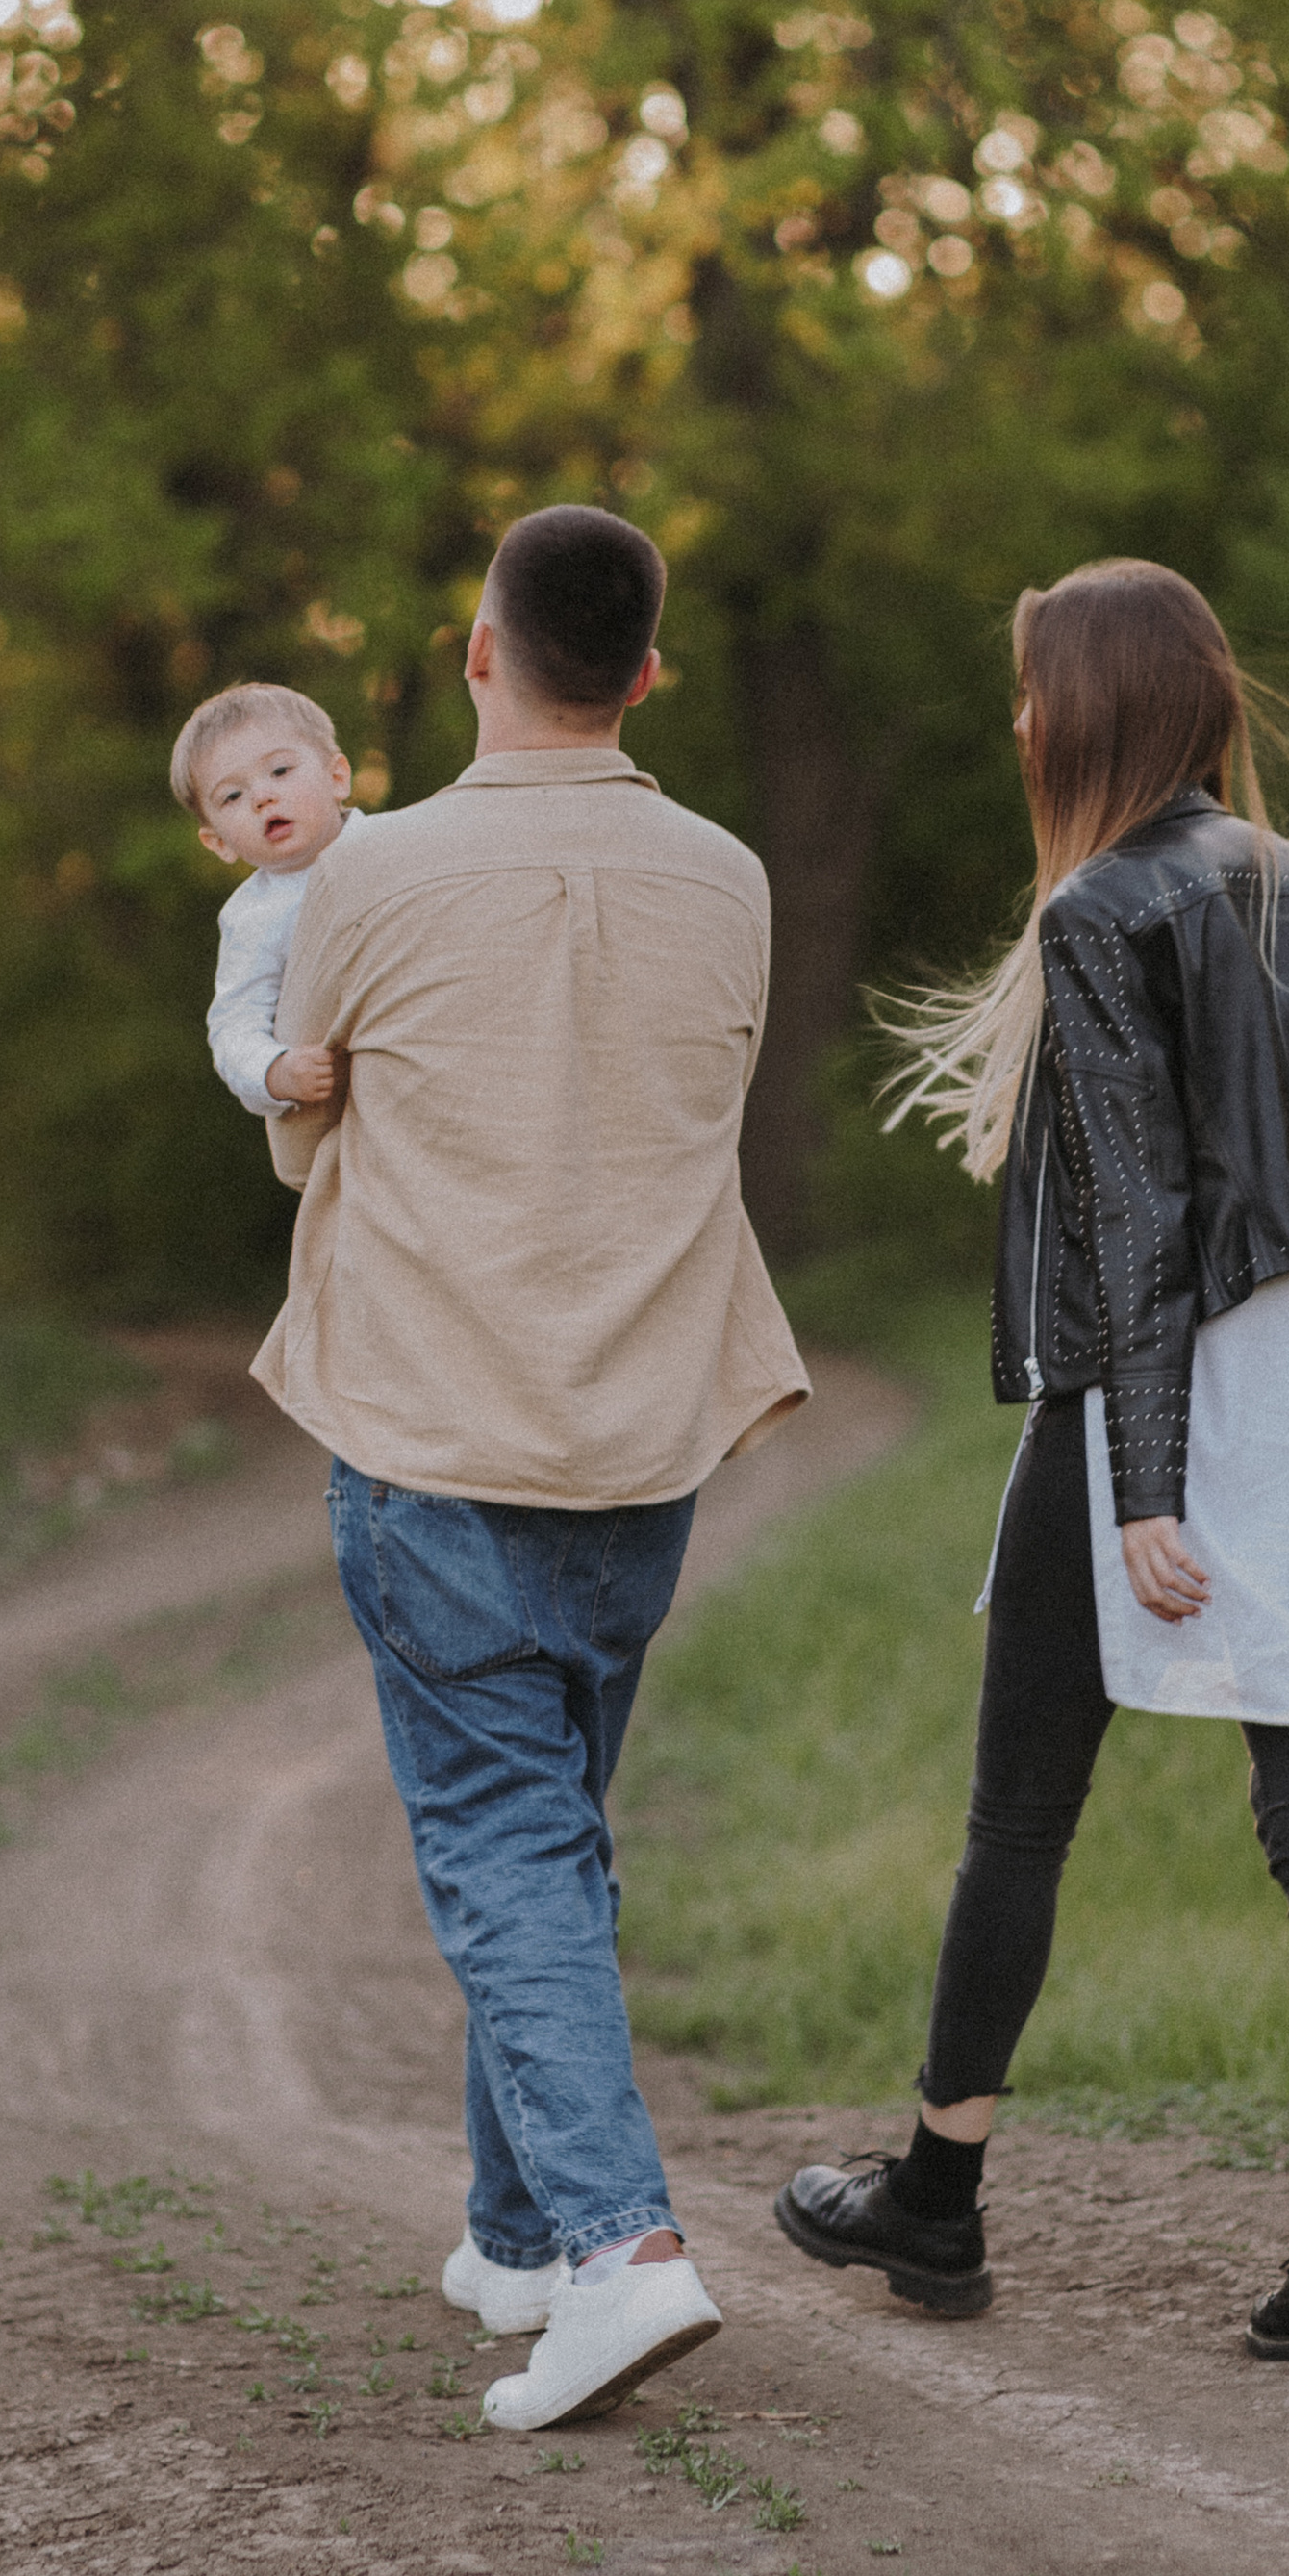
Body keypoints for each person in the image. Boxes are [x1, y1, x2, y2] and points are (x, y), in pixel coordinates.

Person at [773, 559, 1289, 2387]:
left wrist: (1143, 1481)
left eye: (1034, 690)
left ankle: (938, 2197)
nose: (1019, 720)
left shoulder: (1104, 906)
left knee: (1022, 1809)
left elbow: (1134, 1211)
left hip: (1143, 1403)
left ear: (1087, 710)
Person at [257, 504, 811, 2433]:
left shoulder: (372, 874)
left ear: (473, 651)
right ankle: (513, 2231)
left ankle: (616, 2251)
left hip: (435, 1431)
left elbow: (305, 1136)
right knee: (550, 1826)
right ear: (643, 672)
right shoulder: (730, 878)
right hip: (639, 1439)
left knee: (502, 1847)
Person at [170, 682, 363, 1120]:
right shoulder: (253, 917)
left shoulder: (396, 846)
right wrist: (275, 1070)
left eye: (279, 771)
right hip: (349, 1097)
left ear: (337, 777)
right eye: (233, 796)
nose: (262, 797)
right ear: (217, 842)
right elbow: (234, 1026)